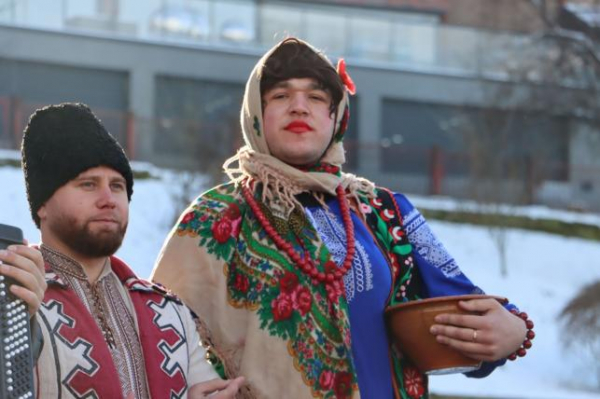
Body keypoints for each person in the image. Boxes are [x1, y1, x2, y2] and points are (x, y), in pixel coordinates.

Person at [151, 38, 531, 399]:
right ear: (255, 115)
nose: (299, 107)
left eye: (316, 97)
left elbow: (463, 305)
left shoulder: (386, 210)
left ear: (337, 117)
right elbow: (159, 338)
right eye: (280, 96)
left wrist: (512, 329)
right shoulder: (213, 217)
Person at [20, 103, 244, 398]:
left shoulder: (169, 312)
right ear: (43, 205)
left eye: (117, 186)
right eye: (87, 184)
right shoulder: (18, 295)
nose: (108, 199)